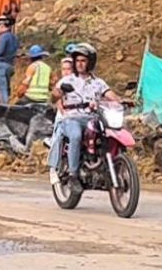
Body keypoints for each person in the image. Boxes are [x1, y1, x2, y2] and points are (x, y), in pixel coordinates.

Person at [50, 42, 118, 191]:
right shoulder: (67, 80)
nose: (80, 64)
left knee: (110, 133)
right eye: (77, 61)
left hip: (93, 118)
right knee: (75, 136)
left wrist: (122, 101)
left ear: (90, 62)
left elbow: (110, 95)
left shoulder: (98, 82)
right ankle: (73, 175)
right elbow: (54, 96)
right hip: (72, 119)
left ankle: (110, 165)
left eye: (83, 61)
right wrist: (58, 93)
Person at [43, 55, 75, 185]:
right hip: (64, 119)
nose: (66, 72)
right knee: (58, 139)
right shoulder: (60, 84)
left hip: (80, 119)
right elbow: (59, 103)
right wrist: (65, 113)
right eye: (64, 69)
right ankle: (52, 168)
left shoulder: (82, 82)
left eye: (69, 69)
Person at [0, 16, 18, 103]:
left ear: (1, 26)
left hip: (1, 65)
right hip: (10, 65)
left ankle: (4, 107)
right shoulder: (14, 37)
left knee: (2, 90)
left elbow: (0, 51)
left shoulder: (3, 37)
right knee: (6, 88)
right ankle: (8, 104)